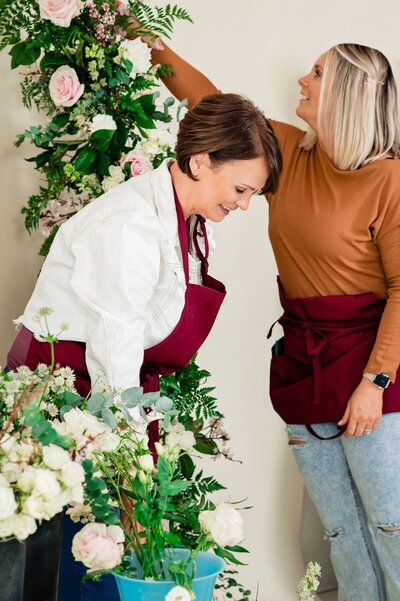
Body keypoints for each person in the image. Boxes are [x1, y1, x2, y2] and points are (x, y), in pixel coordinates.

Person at [7, 92, 281, 601]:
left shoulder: (192, 221)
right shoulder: (130, 226)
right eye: (241, 189)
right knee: (76, 553)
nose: (243, 205)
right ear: (200, 161)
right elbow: (114, 359)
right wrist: (132, 466)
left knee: (118, 550)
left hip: (114, 392)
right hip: (65, 402)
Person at [151, 42, 400, 601]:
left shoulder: (391, 180)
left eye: (317, 73)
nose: (303, 79)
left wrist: (374, 382)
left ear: (350, 95)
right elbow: (205, 101)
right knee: (342, 533)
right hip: (303, 366)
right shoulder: (284, 152)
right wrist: (146, 40)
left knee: (393, 529)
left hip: (372, 373)